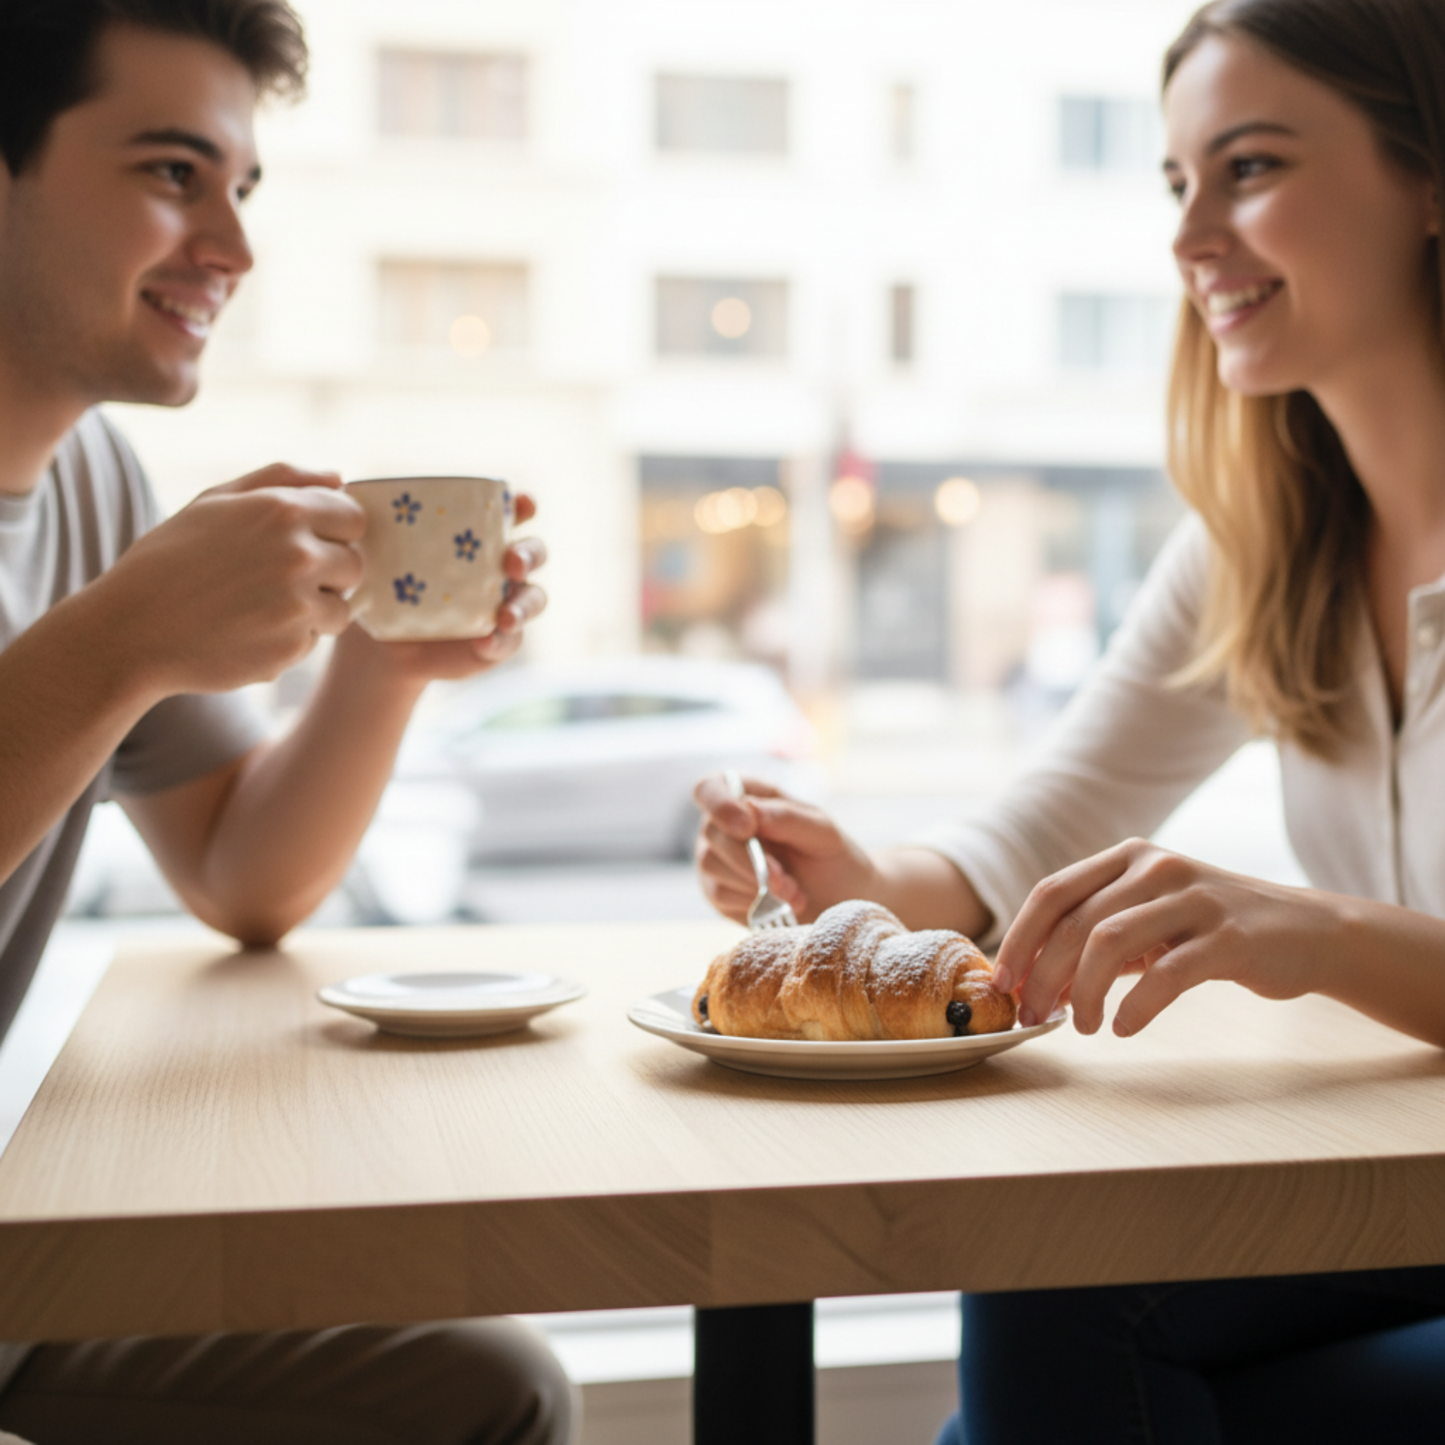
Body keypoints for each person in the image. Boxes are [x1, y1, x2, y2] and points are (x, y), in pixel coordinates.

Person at [693, 0, 1445, 1438]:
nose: (1189, 239)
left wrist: (1317, 936)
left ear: (1429, 178)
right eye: (1177, 183)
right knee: (1048, 1277)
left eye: (1252, 167)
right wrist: (852, 883)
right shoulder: (1261, 538)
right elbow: (1028, 834)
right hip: (1402, 1187)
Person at [0, 1, 574, 1441]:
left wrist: (377, 667)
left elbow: (244, 877)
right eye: (171, 173)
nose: (234, 252)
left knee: (489, 1390)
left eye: (240, 189)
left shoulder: (96, 488)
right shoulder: (114, 566)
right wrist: (124, 638)